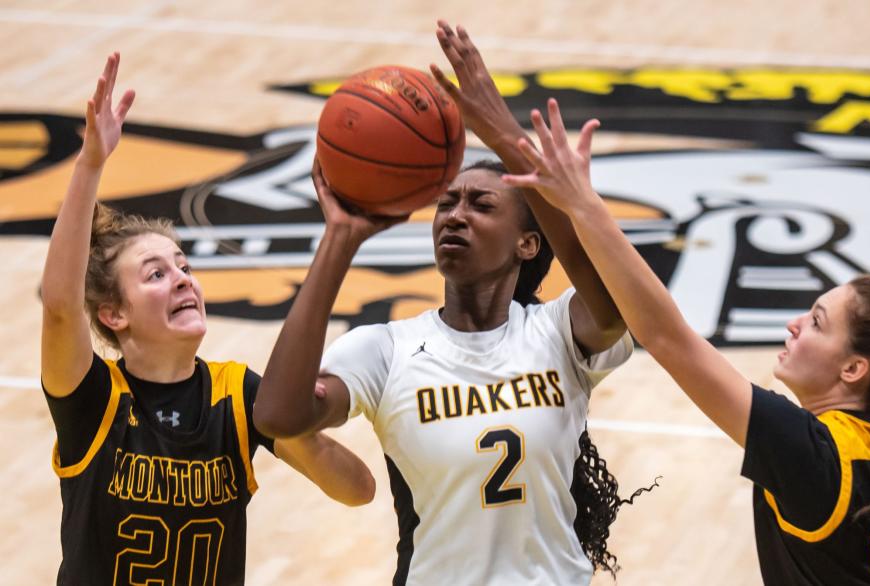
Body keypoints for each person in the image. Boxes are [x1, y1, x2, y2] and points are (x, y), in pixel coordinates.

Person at [500, 94, 870, 585]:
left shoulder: (816, 457)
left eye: (819, 323)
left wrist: (584, 205)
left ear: (854, 368)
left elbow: (665, 335)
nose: (794, 325)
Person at [252, 22, 654, 583]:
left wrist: (508, 134)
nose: (456, 215)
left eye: (481, 205)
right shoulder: (385, 351)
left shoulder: (556, 331)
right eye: (446, 203)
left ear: (527, 243)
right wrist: (339, 238)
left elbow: (613, 308)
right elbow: (277, 416)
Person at [40, 53, 375, 586]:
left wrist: (297, 427)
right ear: (114, 314)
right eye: (154, 274)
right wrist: (90, 165)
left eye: (184, 266)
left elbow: (357, 490)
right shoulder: (94, 401)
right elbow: (59, 307)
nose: (181, 279)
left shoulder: (235, 397)